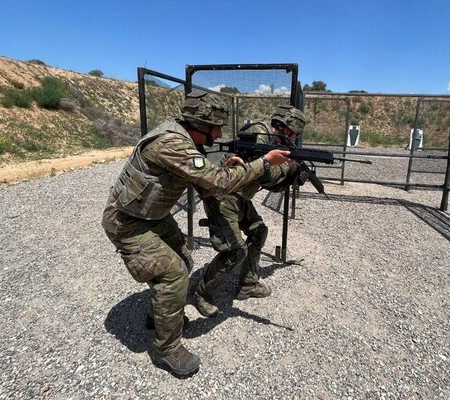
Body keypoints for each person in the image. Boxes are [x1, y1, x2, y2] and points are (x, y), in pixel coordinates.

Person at [101, 90, 291, 377]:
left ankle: (160, 316)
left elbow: (209, 180)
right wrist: (264, 163)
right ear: (199, 124)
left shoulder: (184, 138)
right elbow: (216, 182)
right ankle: (165, 349)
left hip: (153, 217)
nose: (219, 133)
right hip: (129, 222)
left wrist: (228, 168)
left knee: (185, 261)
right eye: (216, 127)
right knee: (174, 273)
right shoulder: (172, 143)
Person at [192, 105, 307, 318]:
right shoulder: (258, 136)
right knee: (235, 250)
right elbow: (265, 173)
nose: (294, 138)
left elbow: (271, 184)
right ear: (286, 128)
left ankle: (248, 283)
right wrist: (288, 167)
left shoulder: (274, 143)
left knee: (258, 231)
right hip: (223, 197)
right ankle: (201, 292)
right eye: (294, 133)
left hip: (240, 196)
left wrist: (291, 176)